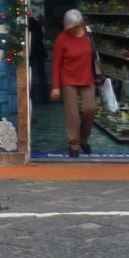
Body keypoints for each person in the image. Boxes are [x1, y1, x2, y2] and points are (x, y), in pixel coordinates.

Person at [48, 10, 97, 157]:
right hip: (68, 80)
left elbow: (94, 55)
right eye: (71, 27)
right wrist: (55, 87)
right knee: (72, 114)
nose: (75, 29)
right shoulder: (62, 39)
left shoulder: (88, 34)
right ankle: (73, 144)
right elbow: (56, 64)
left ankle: (83, 138)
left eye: (77, 26)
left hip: (87, 78)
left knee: (90, 109)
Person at [28, 14, 48, 108]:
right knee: (42, 75)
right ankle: (45, 98)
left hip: (30, 52)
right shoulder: (33, 21)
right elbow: (41, 35)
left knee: (29, 76)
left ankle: (32, 98)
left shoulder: (27, 23)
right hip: (39, 51)